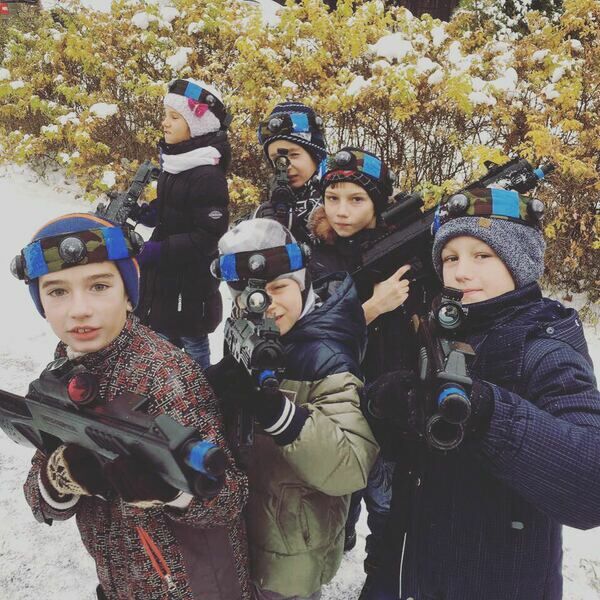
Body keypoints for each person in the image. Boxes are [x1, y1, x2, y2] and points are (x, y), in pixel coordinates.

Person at [368, 187, 600, 599]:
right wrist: (391, 408)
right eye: (450, 258)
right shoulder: (448, 328)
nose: (461, 273)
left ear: (519, 261)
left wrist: (487, 414)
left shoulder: (545, 350)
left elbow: (590, 487)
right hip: (421, 572)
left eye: (482, 256)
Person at [16, 213, 250, 599]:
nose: (79, 309)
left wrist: (172, 490)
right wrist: (60, 477)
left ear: (128, 294)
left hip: (191, 587)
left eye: (99, 286)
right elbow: (41, 501)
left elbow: (229, 499)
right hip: (119, 583)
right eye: (57, 291)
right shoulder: (62, 369)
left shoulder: (167, 375)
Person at [205, 218, 379, 600]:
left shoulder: (326, 356)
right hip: (245, 535)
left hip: (291, 555)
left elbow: (351, 465)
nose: (265, 304)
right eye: (249, 294)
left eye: (279, 287)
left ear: (302, 284)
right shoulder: (248, 330)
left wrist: (280, 414)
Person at [308, 148, 419, 599]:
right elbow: (310, 332)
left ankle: (381, 576)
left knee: (387, 504)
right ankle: (340, 541)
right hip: (337, 399)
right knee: (339, 496)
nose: (341, 211)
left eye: (356, 199)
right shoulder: (316, 255)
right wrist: (372, 308)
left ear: (378, 203)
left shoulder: (405, 246)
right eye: (332, 198)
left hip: (392, 402)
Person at [135, 77, 232, 369]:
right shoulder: (176, 163)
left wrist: (159, 250)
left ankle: (201, 385)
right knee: (160, 332)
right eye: (166, 115)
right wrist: (151, 213)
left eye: (175, 117)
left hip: (191, 282)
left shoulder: (207, 175)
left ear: (197, 125)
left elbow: (208, 236)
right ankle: (163, 381)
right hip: (168, 277)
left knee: (192, 339)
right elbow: (177, 208)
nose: (165, 123)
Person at [254, 101, 327, 244]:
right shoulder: (268, 209)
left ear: (316, 157)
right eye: (276, 159)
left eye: (294, 155)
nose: (285, 166)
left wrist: (296, 233)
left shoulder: (338, 201)